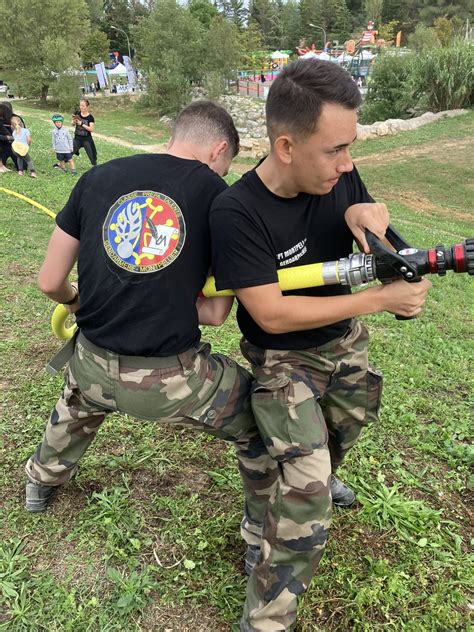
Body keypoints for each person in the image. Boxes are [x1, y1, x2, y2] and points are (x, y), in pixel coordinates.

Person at [24, 103, 276, 628]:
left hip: (90, 362)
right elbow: (212, 314)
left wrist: (76, 304)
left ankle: (41, 483)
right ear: (220, 150)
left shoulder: (97, 178)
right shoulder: (218, 197)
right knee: (261, 425)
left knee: (78, 401)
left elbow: (50, 281)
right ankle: (259, 539)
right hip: (171, 382)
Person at [209, 59, 432, 631]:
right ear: (285, 146)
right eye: (334, 149)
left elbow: (363, 223)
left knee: (348, 423)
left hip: (345, 345)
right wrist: (379, 301)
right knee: (307, 496)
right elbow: (272, 315)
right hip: (284, 360)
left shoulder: (339, 174)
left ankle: (311, 467)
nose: (348, 163)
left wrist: (371, 220)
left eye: (350, 146)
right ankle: (265, 617)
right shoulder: (237, 213)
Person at [72, 98, 97, 166]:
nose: (81, 107)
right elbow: (72, 124)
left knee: (92, 156)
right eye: (80, 105)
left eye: (83, 106)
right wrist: (74, 122)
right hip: (77, 139)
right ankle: (60, 164)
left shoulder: (90, 117)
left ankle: (95, 168)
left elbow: (91, 129)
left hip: (86, 140)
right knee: (69, 152)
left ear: (87, 107)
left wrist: (81, 124)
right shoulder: (77, 113)